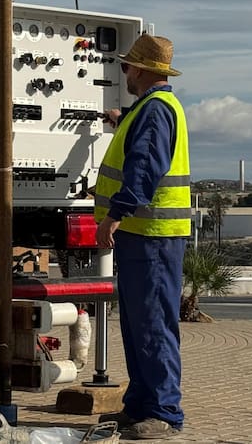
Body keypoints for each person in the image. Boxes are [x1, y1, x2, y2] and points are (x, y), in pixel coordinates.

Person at [93, 34, 191, 440]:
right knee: (138, 327)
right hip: (145, 236)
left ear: (141, 69)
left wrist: (115, 214)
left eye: (126, 66)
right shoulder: (148, 109)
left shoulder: (155, 110)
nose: (124, 73)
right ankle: (139, 407)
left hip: (152, 235)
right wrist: (120, 120)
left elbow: (145, 166)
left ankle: (164, 412)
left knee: (152, 325)